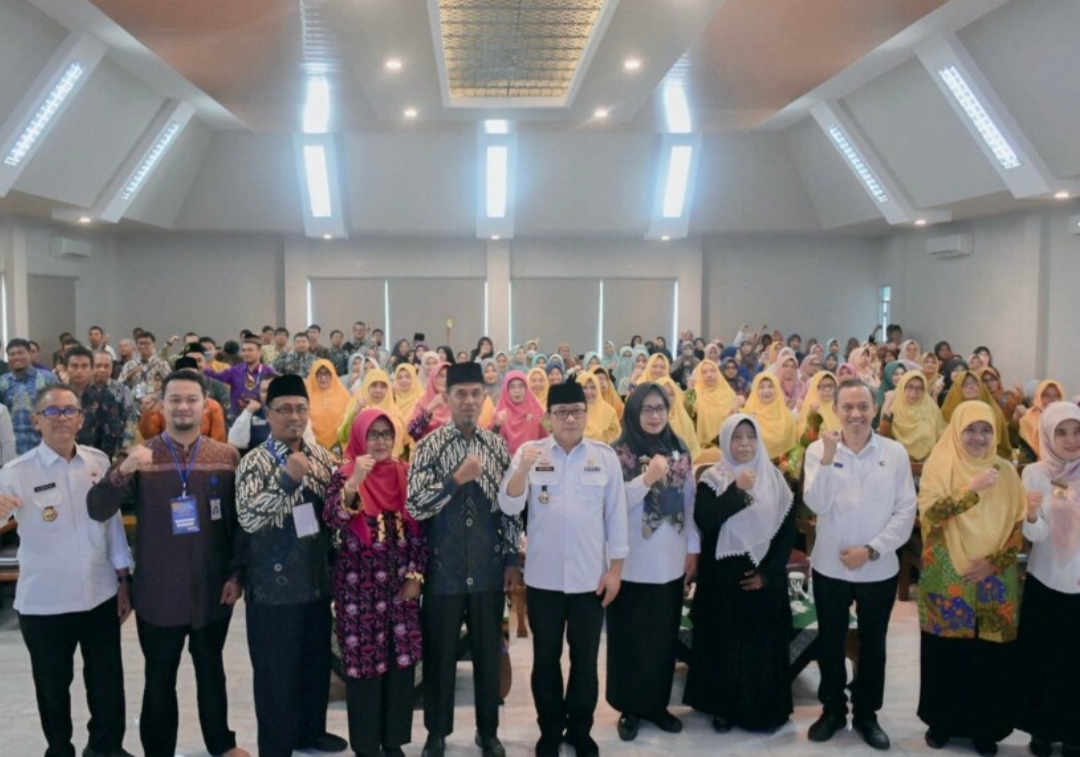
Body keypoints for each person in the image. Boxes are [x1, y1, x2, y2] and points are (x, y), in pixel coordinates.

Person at [87, 370, 249, 757]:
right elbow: (97, 508)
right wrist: (124, 469)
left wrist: (236, 573)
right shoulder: (140, 457)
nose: (183, 406)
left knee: (211, 671)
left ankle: (222, 744)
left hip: (212, 590)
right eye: (174, 399)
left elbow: (239, 524)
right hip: (158, 593)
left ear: (206, 406)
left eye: (191, 399)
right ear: (161, 406)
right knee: (159, 678)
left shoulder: (226, 457)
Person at [0, 384, 134, 757]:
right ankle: (59, 750)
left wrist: (123, 579)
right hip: (45, 602)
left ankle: (106, 748)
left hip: (99, 595)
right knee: (53, 687)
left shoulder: (98, 462)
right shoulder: (16, 472)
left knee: (107, 683)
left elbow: (112, 525)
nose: (62, 418)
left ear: (80, 418)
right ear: (36, 421)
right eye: (52, 411)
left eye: (69, 411)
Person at [499, 381, 629, 757]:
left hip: (591, 580)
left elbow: (617, 517)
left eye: (576, 411)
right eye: (561, 413)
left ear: (587, 415)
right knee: (545, 660)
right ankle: (550, 730)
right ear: (549, 418)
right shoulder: (530, 452)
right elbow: (509, 506)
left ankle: (581, 730)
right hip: (545, 581)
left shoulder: (604, 457)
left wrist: (616, 571)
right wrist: (522, 470)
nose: (570, 419)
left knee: (585, 661)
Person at [406, 362, 523, 757]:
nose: (469, 401)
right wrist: (455, 479)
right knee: (439, 656)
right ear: (447, 398)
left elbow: (509, 509)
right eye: (461, 394)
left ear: (485, 397)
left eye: (476, 393)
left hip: (489, 569)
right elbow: (415, 505)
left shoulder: (497, 446)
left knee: (488, 655)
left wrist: (511, 559)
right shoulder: (429, 446)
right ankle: (436, 734)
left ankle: (488, 732)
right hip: (443, 570)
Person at [235, 373, 347, 757]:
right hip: (272, 587)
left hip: (316, 581)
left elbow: (335, 516)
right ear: (268, 414)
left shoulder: (323, 459)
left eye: (300, 408)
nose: (294, 417)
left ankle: (310, 733)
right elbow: (249, 518)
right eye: (284, 409)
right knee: (275, 674)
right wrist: (286, 480)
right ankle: (277, 746)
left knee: (314, 665)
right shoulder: (254, 462)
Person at [802, 379, 917, 750]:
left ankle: (867, 714)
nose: (856, 414)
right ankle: (833, 710)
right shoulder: (818, 450)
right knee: (830, 641)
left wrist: (871, 549)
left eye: (863, 406)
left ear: (875, 409)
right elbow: (816, 504)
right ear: (835, 410)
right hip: (830, 567)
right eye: (848, 407)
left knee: (873, 644)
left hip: (877, 568)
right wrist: (827, 458)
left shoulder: (894, 453)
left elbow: (906, 511)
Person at [916, 401, 1025, 756]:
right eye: (971, 430)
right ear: (956, 431)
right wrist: (972, 489)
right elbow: (932, 514)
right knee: (946, 652)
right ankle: (941, 722)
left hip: (995, 576)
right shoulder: (940, 464)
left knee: (989, 655)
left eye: (986, 430)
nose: (979, 438)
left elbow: (1019, 525)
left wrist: (994, 563)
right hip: (948, 571)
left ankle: (985, 727)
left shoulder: (1006, 471)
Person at [323, 407, 425, 757]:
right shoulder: (344, 474)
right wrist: (354, 482)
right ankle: (367, 746)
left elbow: (420, 529)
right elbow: (333, 518)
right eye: (373, 434)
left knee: (400, 667)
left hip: (401, 592)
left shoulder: (404, 473)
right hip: (358, 594)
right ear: (359, 437)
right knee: (365, 669)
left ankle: (393, 742)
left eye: (386, 434)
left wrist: (415, 576)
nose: (380, 441)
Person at [684, 414, 795, 733]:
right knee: (724, 644)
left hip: (763, 579)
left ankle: (763, 710)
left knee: (761, 645)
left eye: (750, 437)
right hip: (722, 581)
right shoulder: (712, 479)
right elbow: (706, 520)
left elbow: (786, 535)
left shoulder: (776, 480)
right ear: (725, 440)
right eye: (737, 437)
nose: (744, 444)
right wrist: (737, 491)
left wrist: (767, 575)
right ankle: (724, 708)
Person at [607, 383, 700, 742]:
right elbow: (613, 504)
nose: (654, 415)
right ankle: (629, 708)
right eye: (646, 408)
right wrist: (646, 479)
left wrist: (693, 547)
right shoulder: (617, 453)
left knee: (663, 637)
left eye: (660, 408)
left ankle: (657, 705)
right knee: (629, 638)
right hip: (630, 561)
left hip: (669, 560)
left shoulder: (679, 450)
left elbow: (689, 501)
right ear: (633, 411)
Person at [1017, 402, 1080, 757]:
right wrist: (1029, 514)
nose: (1071, 440)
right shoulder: (1035, 473)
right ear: (1047, 435)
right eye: (1062, 432)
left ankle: (1074, 732)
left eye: (1078, 431)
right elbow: (1037, 535)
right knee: (1043, 659)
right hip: (1046, 579)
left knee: (1075, 663)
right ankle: (1041, 730)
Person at [64, 346, 130, 460]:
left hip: (93, 458)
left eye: (84, 366)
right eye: (74, 366)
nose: (79, 371)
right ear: (66, 369)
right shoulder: (56, 396)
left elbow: (112, 434)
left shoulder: (105, 397)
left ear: (91, 369)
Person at [0, 338, 59, 454]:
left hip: (43, 447)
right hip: (11, 449)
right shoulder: (3, 382)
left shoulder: (48, 379)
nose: (16, 357)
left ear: (29, 354)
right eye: (12, 354)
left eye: (20, 353)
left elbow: (58, 410)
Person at [878, 372, 946, 462]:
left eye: (919, 388)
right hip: (896, 461)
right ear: (902, 386)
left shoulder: (931, 408)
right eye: (910, 387)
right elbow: (883, 438)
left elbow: (942, 435)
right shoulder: (893, 407)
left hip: (926, 463)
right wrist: (887, 407)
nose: (914, 392)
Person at [204, 337, 275, 417]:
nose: (246, 353)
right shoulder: (234, 371)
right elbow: (216, 377)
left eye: (250, 350)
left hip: (262, 417)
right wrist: (203, 366)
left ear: (260, 352)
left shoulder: (269, 372)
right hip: (238, 417)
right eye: (243, 350)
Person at [489, 370, 547, 455]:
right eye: (512, 387)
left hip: (534, 458)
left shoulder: (537, 409)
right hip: (506, 460)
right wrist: (497, 425)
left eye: (521, 386)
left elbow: (549, 435)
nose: (517, 391)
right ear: (506, 390)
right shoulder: (499, 413)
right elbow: (489, 443)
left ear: (526, 388)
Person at [685, 359, 740, 450]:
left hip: (729, 444)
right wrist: (690, 390)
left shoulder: (728, 393)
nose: (709, 375)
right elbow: (687, 410)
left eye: (712, 371)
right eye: (704, 372)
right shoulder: (695, 394)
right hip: (705, 446)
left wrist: (736, 408)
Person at [743, 373, 798, 462]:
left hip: (782, 466)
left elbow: (794, 446)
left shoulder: (787, 417)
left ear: (777, 389)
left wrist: (785, 465)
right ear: (755, 390)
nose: (766, 391)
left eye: (770, 386)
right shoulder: (745, 415)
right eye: (761, 387)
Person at [305, 358, 350, 451]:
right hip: (314, 448)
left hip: (341, 447)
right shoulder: (306, 396)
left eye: (326, 373)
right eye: (319, 374)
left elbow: (350, 419)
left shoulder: (343, 395)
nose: (323, 377)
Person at [1018, 379, 1066, 460]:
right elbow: (1025, 453)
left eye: (1056, 396)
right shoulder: (1028, 419)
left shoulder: (1066, 419)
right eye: (1047, 396)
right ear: (1039, 396)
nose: (1052, 400)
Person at [227, 377, 274, 455]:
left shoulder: (290, 412)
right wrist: (248, 411)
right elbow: (234, 442)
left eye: (272, 390)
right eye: (264, 391)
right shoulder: (252, 412)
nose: (268, 394)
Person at [408, 362, 451, 444]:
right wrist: (430, 408)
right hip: (427, 449)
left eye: (449, 376)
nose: (445, 379)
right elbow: (412, 432)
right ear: (433, 377)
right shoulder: (423, 401)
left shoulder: (458, 402)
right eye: (440, 375)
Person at [120, 332, 170, 398]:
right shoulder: (130, 364)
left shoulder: (161, 364)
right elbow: (119, 384)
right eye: (140, 344)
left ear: (153, 345)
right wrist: (130, 375)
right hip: (134, 399)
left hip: (155, 399)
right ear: (136, 346)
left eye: (146, 343)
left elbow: (170, 383)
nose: (143, 346)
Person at [578, 371, 620, 444]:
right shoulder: (571, 410)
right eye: (584, 388)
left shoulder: (609, 411)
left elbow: (616, 436)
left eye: (593, 388)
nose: (589, 392)